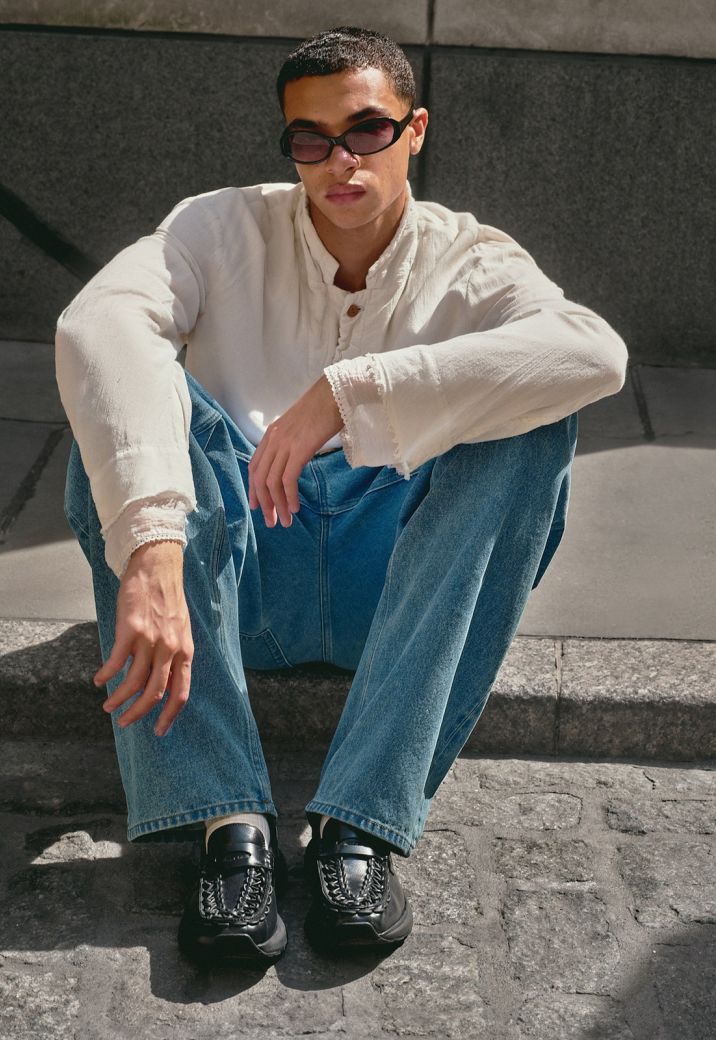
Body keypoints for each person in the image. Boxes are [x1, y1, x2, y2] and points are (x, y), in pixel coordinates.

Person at [55, 26, 627, 967]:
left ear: (415, 130)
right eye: (310, 139)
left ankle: (358, 826)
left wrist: (351, 394)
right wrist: (152, 542)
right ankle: (228, 827)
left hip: (393, 595)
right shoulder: (217, 226)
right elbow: (99, 324)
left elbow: (593, 353)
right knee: (117, 414)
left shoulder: (473, 257)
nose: (339, 161)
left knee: (532, 423)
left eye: (366, 131)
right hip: (238, 588)